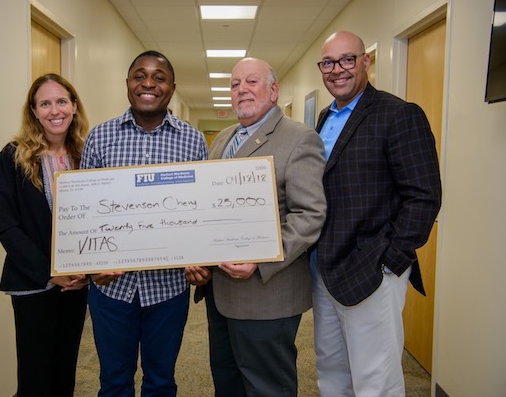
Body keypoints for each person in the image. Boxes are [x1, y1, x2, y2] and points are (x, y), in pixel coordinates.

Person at [310, 31, 442, 396]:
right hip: (325, 267)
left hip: (371, 271)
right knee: (331, 369)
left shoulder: (399, 114)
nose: (337, 70)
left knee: (375, 379)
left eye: (347, 59)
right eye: (328, 62)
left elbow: (424, 196)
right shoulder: (325, 117)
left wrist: (392, 261)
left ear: (366, 61)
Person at [185, 57, 327, 396]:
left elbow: (310, 214)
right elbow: (210, 206)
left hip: (267, 296)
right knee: (228, 382)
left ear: (274, 91)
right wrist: (197, 254)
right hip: (221, 292)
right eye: (235, 85)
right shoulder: (222, 139)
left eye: (252, 82)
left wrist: (261, 260)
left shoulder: (299, 138)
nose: (242, 90)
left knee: (267, 388)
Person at [80, 50, 208, 397]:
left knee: (161, 382)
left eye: (159, 77)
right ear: (127, 85)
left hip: (167, 290)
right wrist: (92, 267)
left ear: (172, 87)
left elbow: (202, 212)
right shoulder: (100, 138)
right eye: (139, 76)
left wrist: (204, 261)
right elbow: (84, 214)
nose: (148, 83)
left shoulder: (193, 141)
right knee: (114, 383)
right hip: (111, 290)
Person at [0, 73, 90, 397]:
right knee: (35, 380)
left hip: (77, 285)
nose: (54, 110)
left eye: (61, 101)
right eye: (44, 103)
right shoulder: (13, 156)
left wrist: (80, 272)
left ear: (74, 106)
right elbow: (7, 226)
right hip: (33, 285)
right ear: (34, 111)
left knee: (65, 374)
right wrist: (52, 272)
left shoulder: (87, 156)